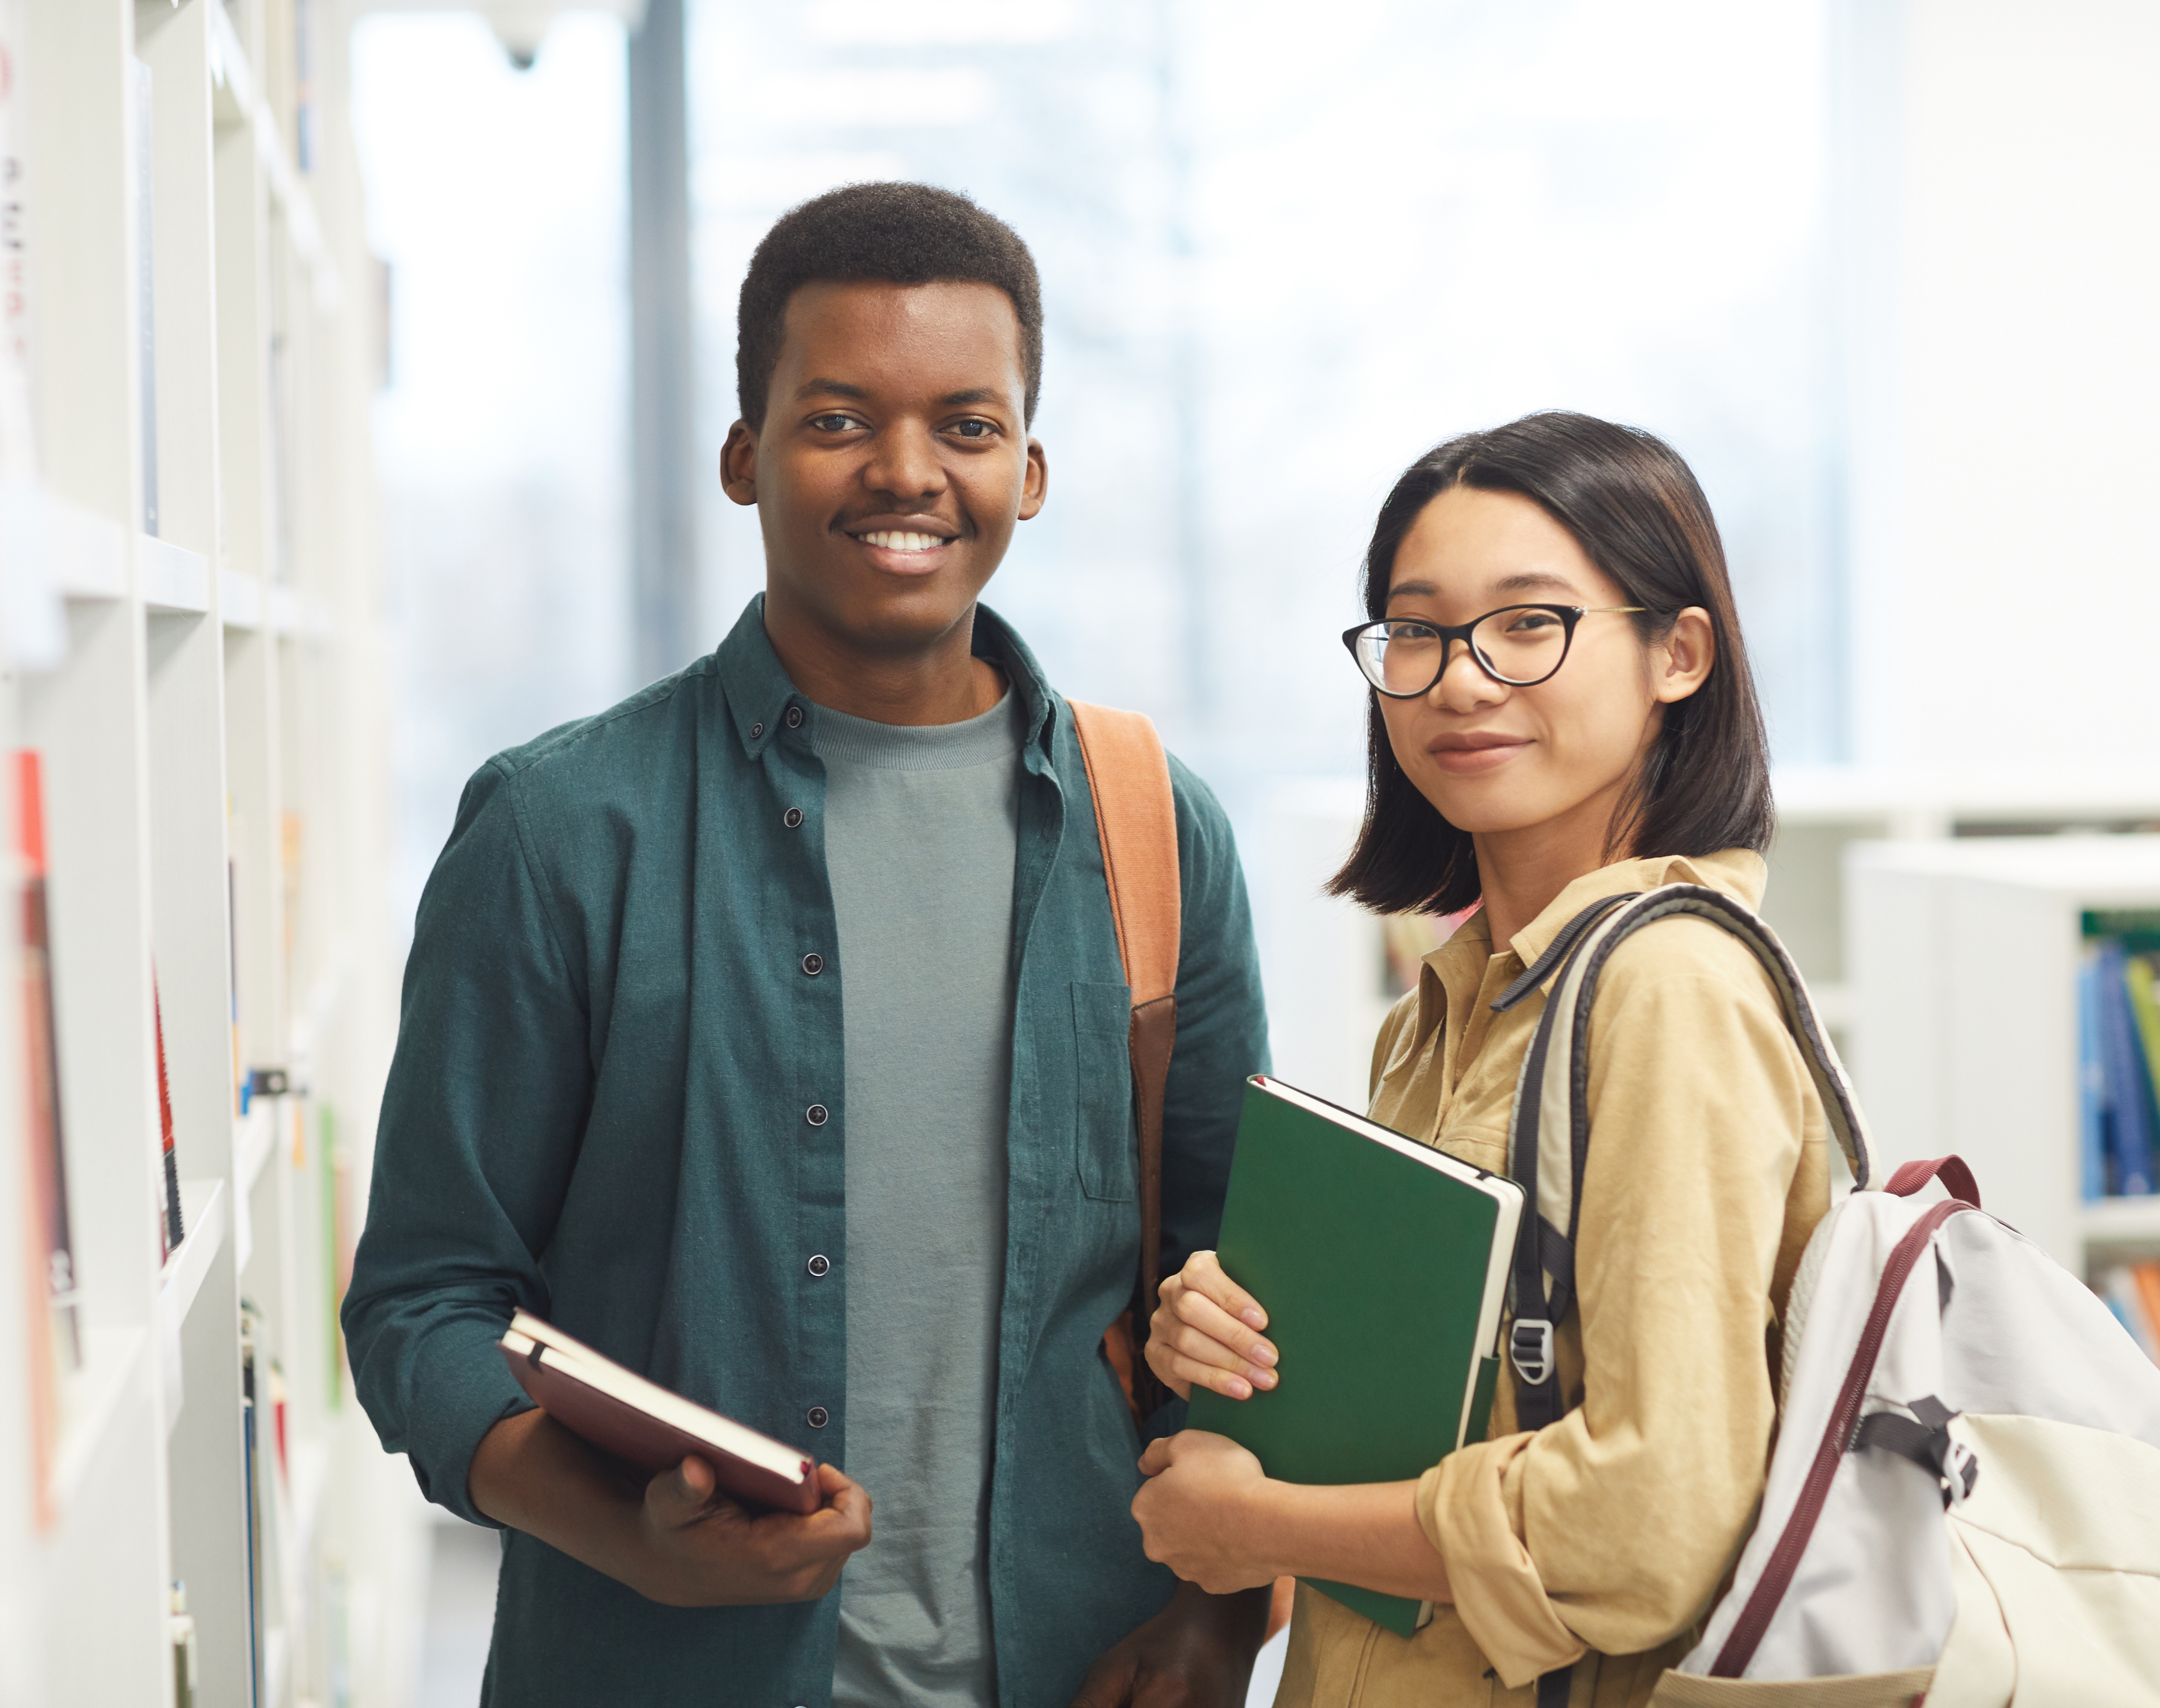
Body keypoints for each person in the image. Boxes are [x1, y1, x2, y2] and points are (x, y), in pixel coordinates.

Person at [341, 182, 1273, 1708]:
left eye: (967, 426)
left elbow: (1233, 1286)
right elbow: (424, 1301)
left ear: (1031, 472)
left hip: (1079, 1666)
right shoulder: (561, 828)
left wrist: (1226, 1616)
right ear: (742, 454)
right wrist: (623, 1534)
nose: (907, 472)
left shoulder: (1154, 830)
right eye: (840, 418)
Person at [1131, 412, 1832, 1707]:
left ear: (1678, 653)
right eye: (1417, 631)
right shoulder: (1450, 1003)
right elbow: (1446, 1407)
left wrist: (1263, 1527)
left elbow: (1651, 1519)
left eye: (1530, 624)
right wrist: (1236, 1347)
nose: (1460, 680)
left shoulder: (1667, 989)